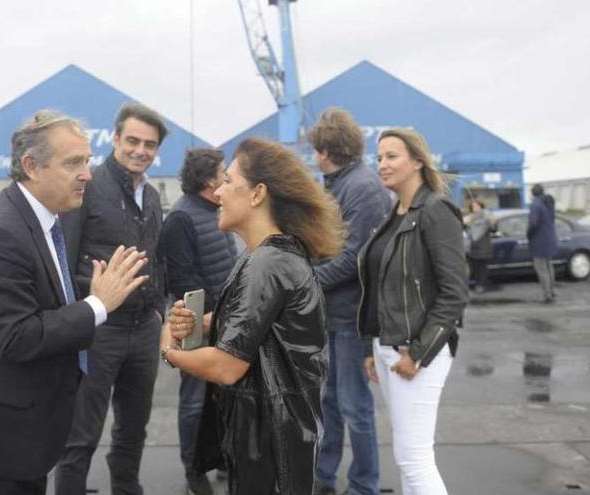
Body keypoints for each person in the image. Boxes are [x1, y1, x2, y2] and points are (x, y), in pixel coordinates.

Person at [0, 110, 149, 495]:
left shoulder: (43, 221)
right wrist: (98, 305)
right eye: (73, 163)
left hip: (27, 429)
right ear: (32, 166)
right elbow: (16, 337)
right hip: (0, 437)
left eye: (87, 160)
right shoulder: (0, 234)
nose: (88, 173)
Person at [160, 137, 345, 494]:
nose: (218, 192)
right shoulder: (264, 256)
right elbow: (263, 330)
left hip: (272, 445)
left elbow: (226, 367)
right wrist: (203, 323)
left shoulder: (267, 263)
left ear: (258, 193)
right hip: (276, 438)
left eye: (228, 181)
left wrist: (168, 349)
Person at [55, 103, 168, 495]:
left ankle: (126, 488)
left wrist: (158, 310)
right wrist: (75, 320)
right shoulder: (88, 188)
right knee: (80, 433)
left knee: (133, 428)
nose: (140, 150)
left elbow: (159, 257)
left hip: (143, 332)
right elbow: (64, 258)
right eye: (133, 140)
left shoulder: (151, 196)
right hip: (98, 331)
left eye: (149, 144)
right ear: (116, 139)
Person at [360, 128, 468, 495]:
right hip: (387, 347)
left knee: (414, 458)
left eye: (392, 156)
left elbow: (455, 294)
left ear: (418, 161)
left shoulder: (436, 212)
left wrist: (418, 354)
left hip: (417, 352)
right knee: (407, 457)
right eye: (378, 157)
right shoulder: (394, 216)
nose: (382, 164)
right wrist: (371, 347)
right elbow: (381, 290)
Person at [307, 108, 391, 495]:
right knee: (331, 403)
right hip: (332, 316)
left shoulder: (362, 187)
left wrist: (306, 282)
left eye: (318, 150)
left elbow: (355, 257)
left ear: (328, 149)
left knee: (355, 408)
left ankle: (364, 485)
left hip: (352, 318)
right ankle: (324, 476)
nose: (315, 157)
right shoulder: (336, 184)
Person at [158, 148, 238, 495]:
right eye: (223, 171)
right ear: (208, 180)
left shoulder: (214, 210)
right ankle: (193, 470)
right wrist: (209, 320)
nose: (227, 177)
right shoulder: (181, 218)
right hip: (197, 325)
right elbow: (182, 278)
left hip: (221, 321)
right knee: (194, 401)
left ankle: (218, 458)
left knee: (222, 396)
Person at [527, 184, 558, 303]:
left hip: (539, 241)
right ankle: (551, 290)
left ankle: (547, 295)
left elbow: (533, 224)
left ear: (532, 193)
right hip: (549, 239)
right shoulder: (548, 204)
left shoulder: (536, 205)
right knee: (549, 267)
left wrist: (529, 234)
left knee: (542, 269)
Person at [464, 199, 495, 293]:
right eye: (473, 206)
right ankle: (475, 284)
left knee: (482, 268)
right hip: (471, 248)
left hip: (483, 247)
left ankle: (480, 285)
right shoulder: (469, 218)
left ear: (481, 206)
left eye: (477, 206)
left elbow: (493, 229)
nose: (475, 208)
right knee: (473, 268)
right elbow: (464, 231)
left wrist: (492, 222)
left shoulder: (487, 216)